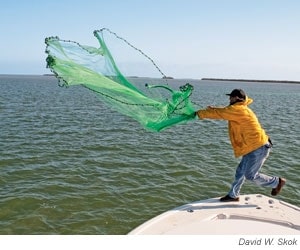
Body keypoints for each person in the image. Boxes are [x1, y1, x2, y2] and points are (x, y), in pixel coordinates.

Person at [195, 89, 286, 202]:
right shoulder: (239, 109)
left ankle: (277, 182)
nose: (229, 99)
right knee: (240, 171)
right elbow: (224, 111)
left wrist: (199, 113)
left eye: (231, 97)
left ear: (237, 98)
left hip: (258, 147)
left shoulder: (238, 110)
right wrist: (213, 109)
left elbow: (222, 113)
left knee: (250, 175)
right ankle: (233, 195)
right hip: (252, 146)